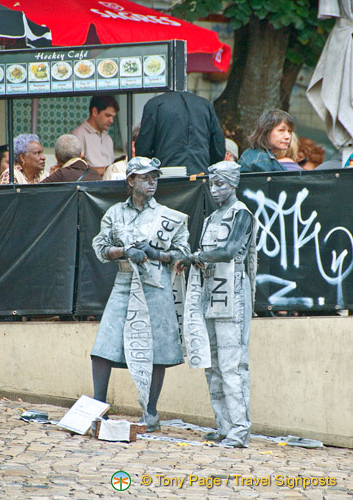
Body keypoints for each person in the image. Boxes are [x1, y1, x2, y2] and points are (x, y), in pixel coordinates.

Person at [91, 156, 190, 431]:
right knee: (103, 347)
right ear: (131, 180)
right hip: (124, 282)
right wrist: (123, 251)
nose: (152, 182)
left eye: (155, 177)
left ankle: (150, 413)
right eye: (146, 177)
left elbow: (184, 253)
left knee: (156, 350)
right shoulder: (115, 213)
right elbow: (100, 247)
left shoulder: (169, 216)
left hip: (156, 285)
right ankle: (99, 409)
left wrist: (157, 253)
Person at [176, 161, 258, 448]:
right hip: (211, 291)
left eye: (220, 183)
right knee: (212, 363)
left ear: (233, 184)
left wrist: (195, 256)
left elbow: (230, 250)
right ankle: (224, 425)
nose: (214, 189)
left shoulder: (241, 214)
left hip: (233, 292)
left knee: (232, 362)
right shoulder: (211, 219)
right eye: (211, 183)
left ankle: (239, 429)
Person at [135, 91, 225, 176]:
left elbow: (143, 150)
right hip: (200, 175)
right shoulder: (205, 105)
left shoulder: (155, 105)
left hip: (166, 176)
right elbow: (219, 150)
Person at [72, 95, 119, 175]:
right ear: (95, 112)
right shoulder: (79, 134)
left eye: (113, 117)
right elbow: (75, 169)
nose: (111, 121)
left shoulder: (108, 139)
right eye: (107, 115)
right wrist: (106, 170)